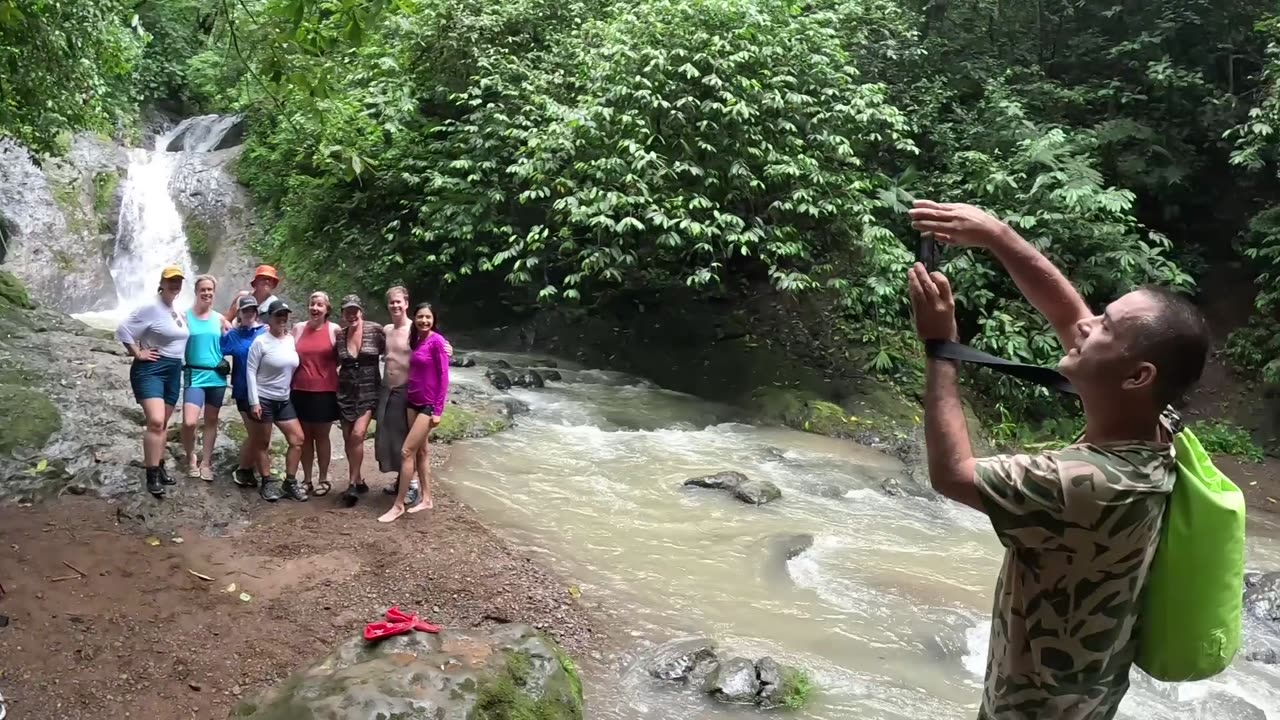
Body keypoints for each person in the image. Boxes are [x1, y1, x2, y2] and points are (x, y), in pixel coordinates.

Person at [906, 200, 1210, 720]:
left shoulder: (1088, 481)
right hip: (1085, 696)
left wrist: (941, 348)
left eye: (1107, 328)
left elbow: (952, 475)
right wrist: (998, 235)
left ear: (1137, 376)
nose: (1088, 326)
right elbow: (1071, 319)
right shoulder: (1152, 428)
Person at [116, 266, 191, 497]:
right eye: (171, 280)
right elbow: (123, 329)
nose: (175, 284)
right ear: (162, 282)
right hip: (151, 369)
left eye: (178, 281)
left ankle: (159, 465)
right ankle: (151, 475)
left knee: (164, 423)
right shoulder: (150, 306)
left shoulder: (176, 311)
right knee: (156, 421)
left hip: (173, 370)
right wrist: (137, 353)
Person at [377, 286, 453, 507]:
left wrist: (448, 349)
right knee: (397, 437)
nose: (395, 305)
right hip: (398, 393)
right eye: (391, 302)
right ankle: (406, 482)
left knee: (410, 445)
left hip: (411, 393)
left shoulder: (416, 331)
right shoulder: (388, 330)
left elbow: (438, 357)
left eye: (399, 301)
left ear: (407, 303)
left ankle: (410, 489)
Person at [245, 299, 307, 502]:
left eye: (285, 314)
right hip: (264, 398)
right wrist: (254, 402)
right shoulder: (260, 342)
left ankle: (289, 482)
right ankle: (267, 482)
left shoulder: (290, 340)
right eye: (278, 315)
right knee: (263, 442)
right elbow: (251, 372)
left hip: (284, 399)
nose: (282, 318)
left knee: (297, 439)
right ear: (269, 318)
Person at [180, 275, 232, 481]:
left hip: (217, 377)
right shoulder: (184, 317)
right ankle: (191, 456)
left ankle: (206, 462)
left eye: (210, 290)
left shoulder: (220, 319)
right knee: (189, 422)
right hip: (194, 374)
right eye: (203, 289)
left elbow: (235, 337)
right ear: (196, 291)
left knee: (211, 420)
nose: (207, 293)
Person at [335, 294, 385, 504]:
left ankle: (352, 484)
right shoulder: (339, 335)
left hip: (369, 390)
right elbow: (333, 360)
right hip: (345, 390)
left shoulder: (375, 330)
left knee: (357, 434)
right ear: (342, 314)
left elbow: (399, 349)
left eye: (355, 310)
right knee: (348, 438)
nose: (351, 314)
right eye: (347, 311)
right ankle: (359, 479)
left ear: (361, 311)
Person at [291, 291, 341, 497]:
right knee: (304, 437)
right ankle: (307, 479)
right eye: (312, 304)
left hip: (325, 390)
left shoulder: (334, 330)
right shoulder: (298, 329)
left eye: (320, 305)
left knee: (322, 436)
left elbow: (342, 356)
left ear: (327, 309)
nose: (315, 308)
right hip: (299, 389)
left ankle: (323, 477)